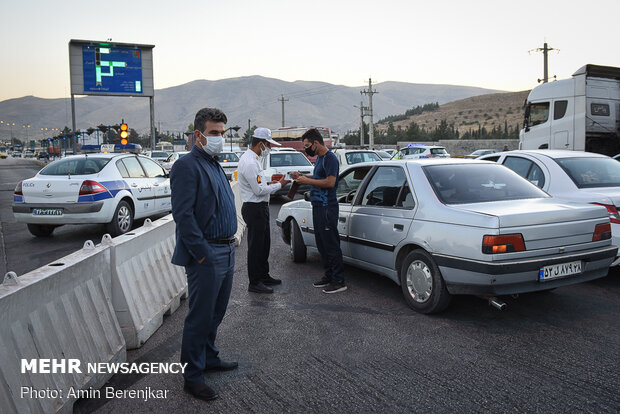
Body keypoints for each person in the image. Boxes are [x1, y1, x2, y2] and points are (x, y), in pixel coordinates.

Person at [171, 107, 238, 402]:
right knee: (199, 317)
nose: (219, 138)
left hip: (226, 248)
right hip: (207, 253)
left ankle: (209, 358)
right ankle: (193, 376)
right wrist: (201, 254)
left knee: (217, 312)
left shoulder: (214, 163)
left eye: (222, 133)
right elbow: (183, 215)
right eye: (214, 133)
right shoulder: (187, 165)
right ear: (198, 135)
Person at [292, 128, 346, 293]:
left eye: (307, 145)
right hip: (317, 206)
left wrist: (307, 180)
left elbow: (330, 182)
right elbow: (318, 179)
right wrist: (301, 177)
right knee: (322, 244)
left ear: (316, 143)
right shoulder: (320, 159)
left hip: (327, 207)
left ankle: (338, 280)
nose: (306, 148)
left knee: (331, 243)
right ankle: (328, 275)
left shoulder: (330, 159)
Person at [238, 127, 290, 293]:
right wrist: (279, 185)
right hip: (254, 207)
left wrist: (270, 185)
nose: (270, 149)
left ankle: (263, 275)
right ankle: (255, 282)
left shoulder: (255, 159)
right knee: (256, 246)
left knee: (264, 244)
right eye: (268, 145)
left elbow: (260, 185)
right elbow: (258, 190)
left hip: (260, 207)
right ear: (261, 144)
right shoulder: (250, 162)